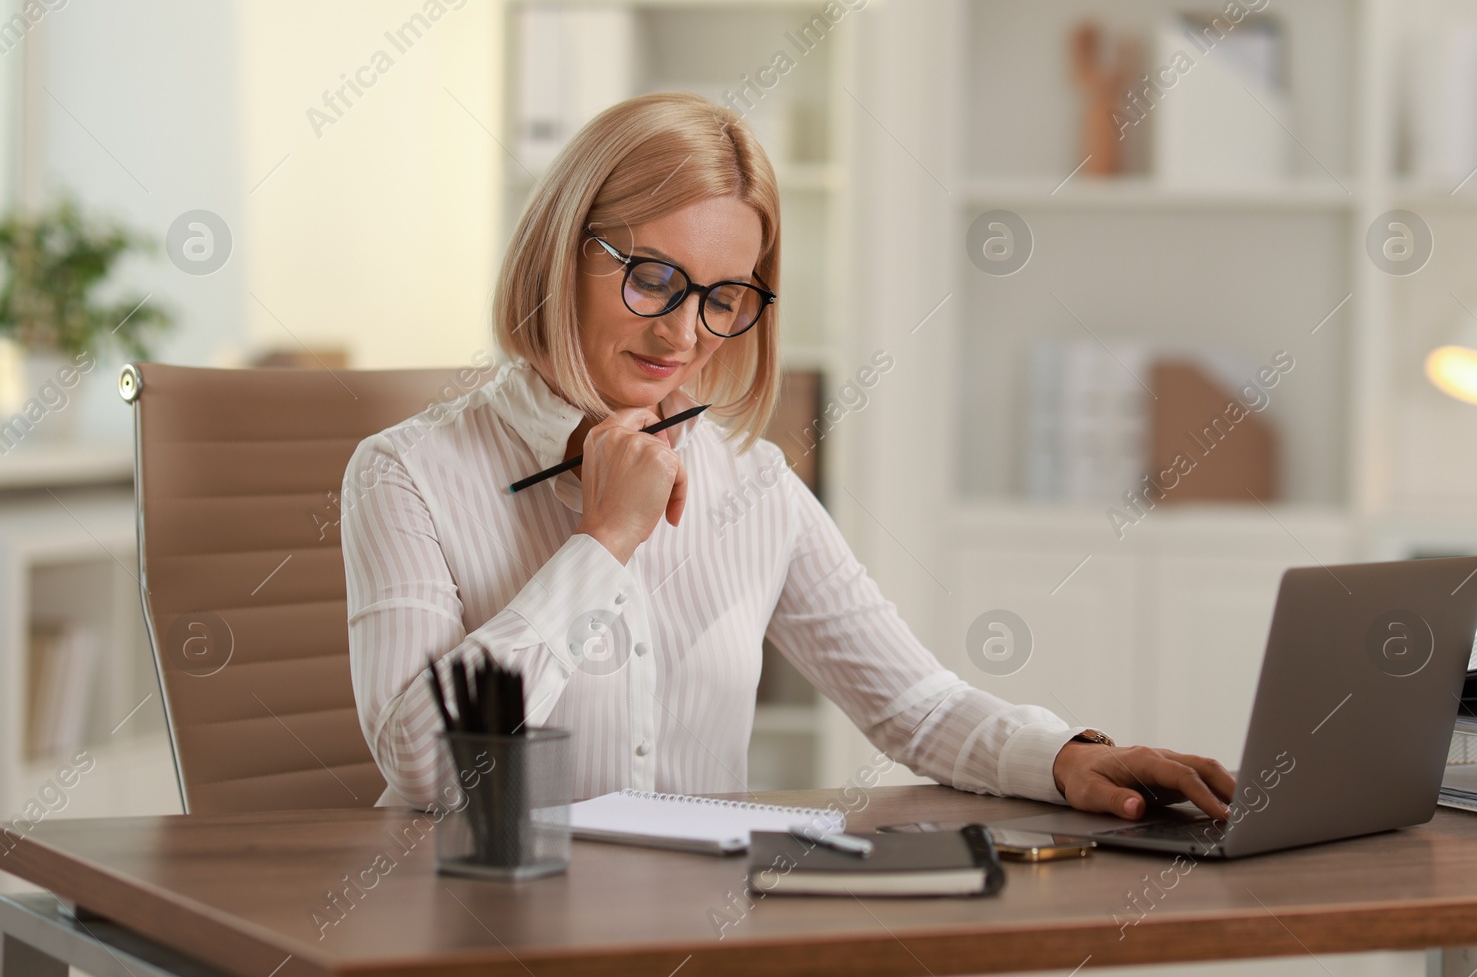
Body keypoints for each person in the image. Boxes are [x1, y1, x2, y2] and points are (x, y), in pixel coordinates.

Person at [342, 91, 1235, 820]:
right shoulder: (408, 474)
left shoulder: (751, 483)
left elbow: (911, 706)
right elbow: (427, 766)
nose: (684, 332)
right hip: (477, 936)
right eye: (651, 276)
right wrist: (602, 541)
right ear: (560, 251)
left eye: (723, 296)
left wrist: (1074, 759)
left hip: (696, 938)